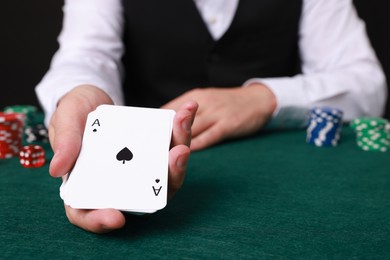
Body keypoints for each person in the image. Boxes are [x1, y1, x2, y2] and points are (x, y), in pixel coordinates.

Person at [36, 0, 386, 233]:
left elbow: (366, 83)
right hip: (144, 153)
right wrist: (82, 93)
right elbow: (84, 55)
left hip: (285, 174)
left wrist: (263, 99)